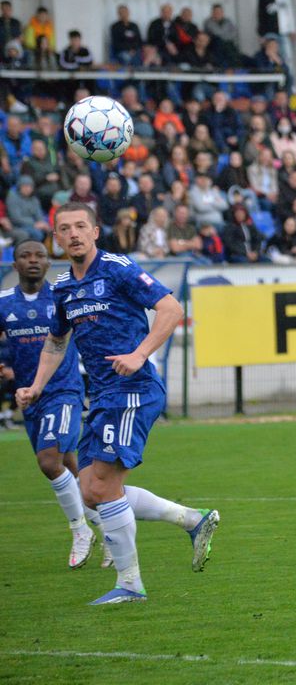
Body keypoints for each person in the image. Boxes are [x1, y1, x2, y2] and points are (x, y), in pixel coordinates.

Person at [16, 203, 219, 604]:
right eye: (64, 229)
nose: (73, 234)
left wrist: (139, 354)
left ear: (95, 232)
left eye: (80, 226)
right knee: (92, 491)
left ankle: (130, 584)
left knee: (103, 486)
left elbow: (171, 308)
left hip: (134, 390)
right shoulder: (62, 288)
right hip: (105, 396)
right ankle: (193, 521)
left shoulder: (117, 267)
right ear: (56, 239)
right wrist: (37, 385)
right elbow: (57, 341)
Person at [0, 241, 99, 568]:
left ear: (48, 263)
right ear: (14, 265)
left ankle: (80, 530)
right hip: (29, 398)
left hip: (64, 392)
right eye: (25, 256)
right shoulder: (4, 304)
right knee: (72, 469)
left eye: (39, 256)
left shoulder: (62, 297)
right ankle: (109, 529)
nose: (32, 261)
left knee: (48, 461)